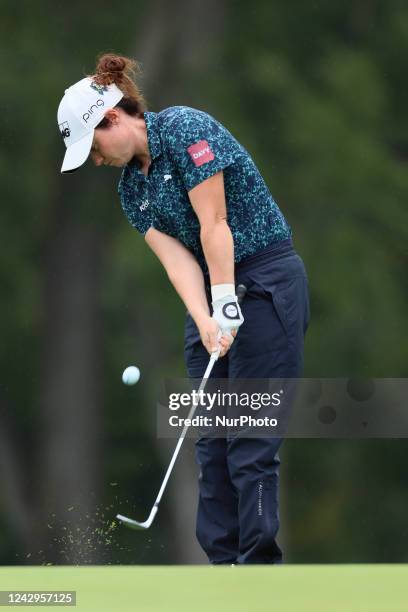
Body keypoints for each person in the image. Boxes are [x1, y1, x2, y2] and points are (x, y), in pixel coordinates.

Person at [57, 53, 310, 564]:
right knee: (210, 444)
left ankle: (258, 572)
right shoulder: (133, 190)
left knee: (251, 442)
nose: (95, 158)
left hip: (264, 280)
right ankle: (222, 569)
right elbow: (177, 261)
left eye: (94, 145)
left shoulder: (185, 129)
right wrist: (205, 318)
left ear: (112, 118)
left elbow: (215, 225)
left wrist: (226, 303)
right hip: (213, 288)